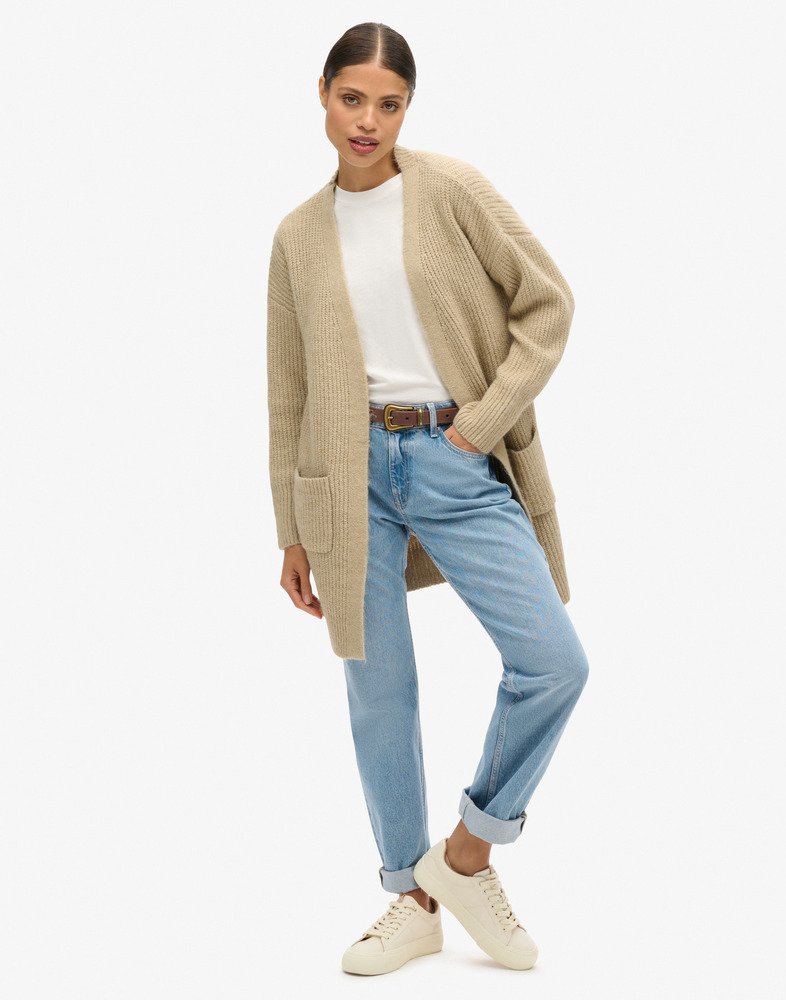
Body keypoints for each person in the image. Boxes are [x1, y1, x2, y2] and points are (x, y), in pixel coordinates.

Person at [267, 21, 590, 976]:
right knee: (380, 689)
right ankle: (409, 902)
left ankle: (466, 855)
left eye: (389, 103)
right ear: (322, 94)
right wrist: (290, 529)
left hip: (454, 455)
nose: (367, 120)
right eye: (351, 98)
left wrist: (478, 427)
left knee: (554, 663)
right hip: (345, 478)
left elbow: (548, 302)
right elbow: (288, 391)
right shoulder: (296, 236)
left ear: (409, 107)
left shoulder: (450, 190)